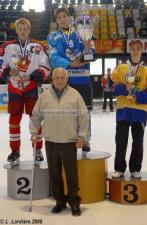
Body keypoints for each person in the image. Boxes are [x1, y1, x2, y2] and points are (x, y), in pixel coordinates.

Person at [29, 67, 89, 216]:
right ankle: (60, 202)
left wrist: (81, 136)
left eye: (63, 77)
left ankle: (74, 202)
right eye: (57, 77)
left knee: (71, 175)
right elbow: (36, 115)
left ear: (67, 79)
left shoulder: (75, 95)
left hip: (69, 141)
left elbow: (83, 117)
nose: (60, 80)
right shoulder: (44, 96)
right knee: (54, 175)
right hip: (51, 141)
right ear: (52, 79)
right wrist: (33, 132)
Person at [0, 18, 51, 164]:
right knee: (14, 120)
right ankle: (15, 150)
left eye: (25, 29)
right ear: (16, 30)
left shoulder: (38, 46)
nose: (22, 31)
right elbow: (1, 65)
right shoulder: (7, 47)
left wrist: (32, 76)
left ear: (29, 30)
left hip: (31, 87)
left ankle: (38, 149)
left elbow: (46, 67)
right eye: (20, 28)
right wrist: (8, 72)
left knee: (35, 119)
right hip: (15, 87)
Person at [47, 7, 95, 156]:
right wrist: (72, 64)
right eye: (59, 17)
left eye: (64, 16)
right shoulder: (53, 37)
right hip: (64, 81)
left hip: (83, 79)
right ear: (57, 20)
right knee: (66, 113)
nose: (62, 19)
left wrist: (88, 49)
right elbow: (53, 59)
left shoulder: (82, 32)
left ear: (69, 17)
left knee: (85, 112)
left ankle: (86, 139)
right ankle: (68, 140)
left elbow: (92, 55)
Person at [111, 40, 147, 179]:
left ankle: (135, 168)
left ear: (141, 51)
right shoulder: (120, 68)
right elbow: (112, 86)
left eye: (137, 48)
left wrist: (136, 95)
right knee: (121, 140)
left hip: (140, 112)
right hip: (123, 109)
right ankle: (119, 168)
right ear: (129, 50)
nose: (135, 51)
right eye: (132, 48)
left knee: (138, 142)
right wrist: (124, 89)